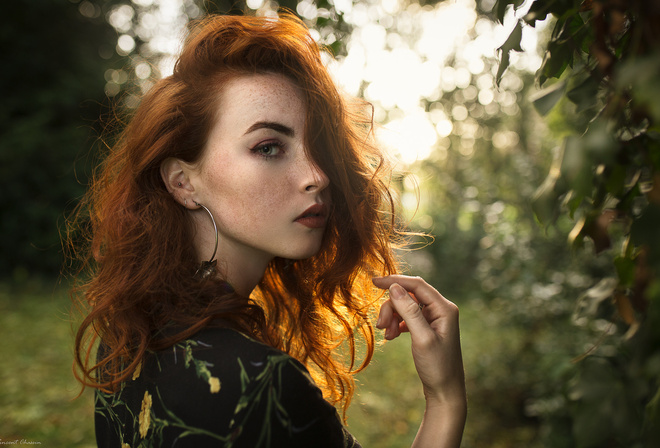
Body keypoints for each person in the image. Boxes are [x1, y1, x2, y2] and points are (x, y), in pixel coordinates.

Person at [69, 12, 467, 448]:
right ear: (183, 183)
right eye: (269, 147)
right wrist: (445, 398)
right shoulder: (263, 385)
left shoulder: (125, 337)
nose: (318, 174)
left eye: (317, 147)